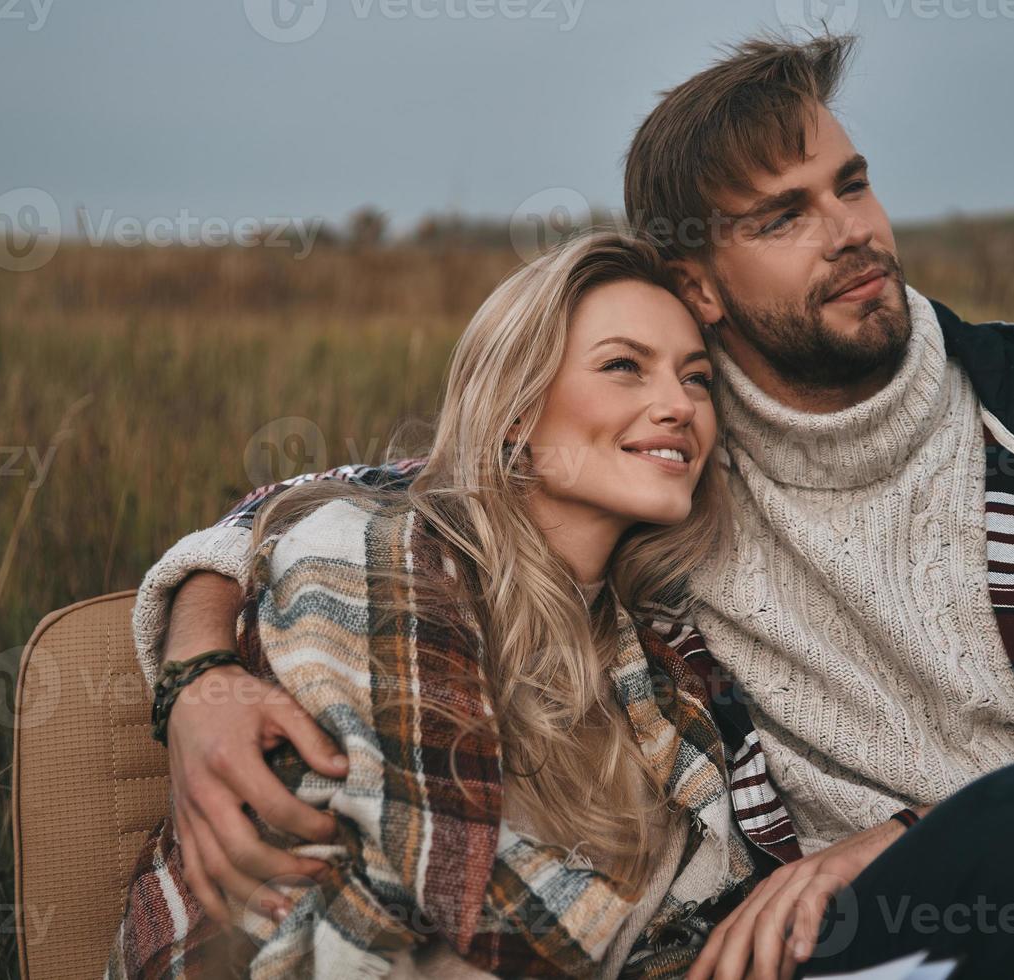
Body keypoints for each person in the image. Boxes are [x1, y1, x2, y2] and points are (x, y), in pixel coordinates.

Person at [126, 34, 1014, 980]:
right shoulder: (672, 471)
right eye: (785, 215)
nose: (856, 234)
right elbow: (375, 500)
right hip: (862, 936)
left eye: (851, 184)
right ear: (698, 284)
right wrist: (198, 664)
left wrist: (930, 822)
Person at [107, 230, 803, 978]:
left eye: (696, 379)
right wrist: (193, 666)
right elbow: (378, 906)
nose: (677, 405)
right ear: (516, 410)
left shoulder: (661, 672)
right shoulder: (375, 562)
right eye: (624, 367)